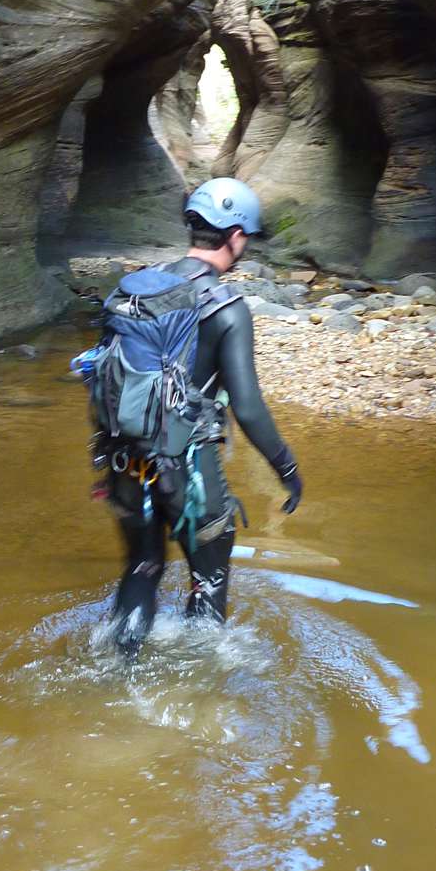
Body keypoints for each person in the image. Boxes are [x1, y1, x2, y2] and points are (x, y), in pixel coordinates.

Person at [107, 177, 304, 656]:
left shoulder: (136, 290)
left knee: (142, 566)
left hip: (123, 460)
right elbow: (248, 408)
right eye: (246, 238)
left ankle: (116, 667)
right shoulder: (227, 308)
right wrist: (287, 469)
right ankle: (197, 684)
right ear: (234, 235)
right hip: (187, 470)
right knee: (208, 580)